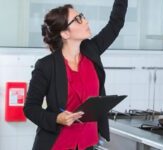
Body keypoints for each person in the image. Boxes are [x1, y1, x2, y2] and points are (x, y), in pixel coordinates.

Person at [23, 0, 127, 149]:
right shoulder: (46, 66)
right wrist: (57, 118)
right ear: (65, 33)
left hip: (88, 144)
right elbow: (30, 108)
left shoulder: (92, 50)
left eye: (82, 16)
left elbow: (116, 23)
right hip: (57, 144)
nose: (85, 21)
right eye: (78, 19)